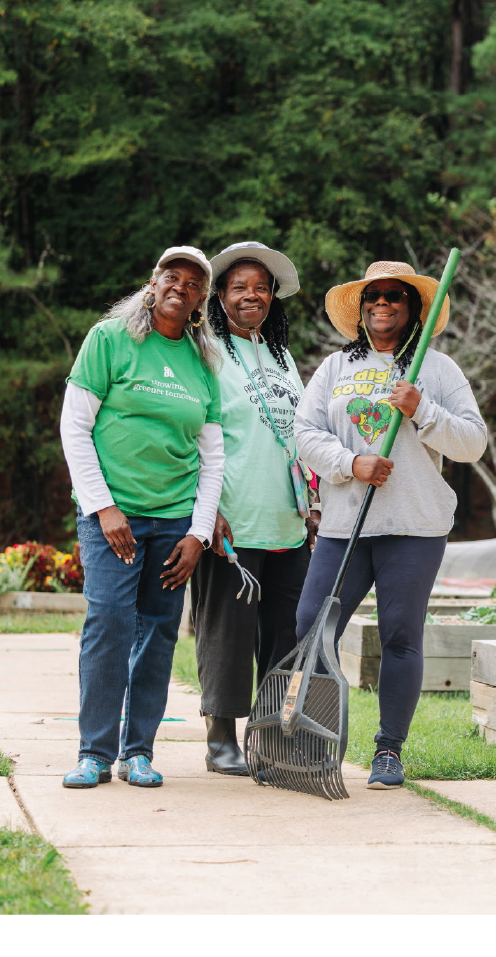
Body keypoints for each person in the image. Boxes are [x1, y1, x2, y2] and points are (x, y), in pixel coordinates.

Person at [294, 260, 487, 789]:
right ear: (360, 308)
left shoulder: (439, 370)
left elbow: (473, 443)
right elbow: (303, 432)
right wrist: (348, 463)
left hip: (413, 526)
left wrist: (424, 410)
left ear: (413, 307)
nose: (382, 303)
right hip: (343, 524)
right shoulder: (335, 369)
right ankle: (316, 738)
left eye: (395, 296)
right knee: (313, 623)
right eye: (373, 296)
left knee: (401, 635)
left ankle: (388, 751)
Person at [59, 246, 224, 789]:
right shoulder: (110, 340)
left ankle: (138, 753)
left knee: (157, 633)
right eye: (170, 276)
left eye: (193, 282)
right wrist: (103, 507)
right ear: (152, 284)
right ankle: (94, 752)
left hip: (175, 523)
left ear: (201, 299)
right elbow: (75, 427)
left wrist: (200, 532)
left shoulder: (202, 363)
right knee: (107, 625)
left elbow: (213, 455)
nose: (180, 286)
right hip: (115, 518)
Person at [189, 241, 318, 776]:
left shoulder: (282, 354)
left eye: (261, 288)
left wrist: (311, 503)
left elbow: (298, 434)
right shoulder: (206, 351)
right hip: (232, 517)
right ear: (220, 295)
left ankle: (268, 735)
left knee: (284, 635)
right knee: (227, 633)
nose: (252, 296)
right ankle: (221, 738)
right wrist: (207, 509)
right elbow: (193, 432)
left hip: (287, 519)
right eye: (239, 287)